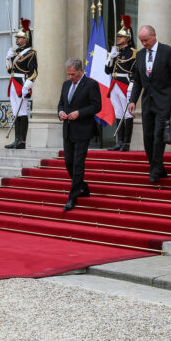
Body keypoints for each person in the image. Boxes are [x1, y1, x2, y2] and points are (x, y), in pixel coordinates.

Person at [128, 25, 171, 183]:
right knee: (148, 136)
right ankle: (159, 167)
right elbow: (138, 81)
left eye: (146, 40)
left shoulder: (168, 52)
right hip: (147, 101)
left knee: (159, 134)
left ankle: (154, 171)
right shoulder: (139, 55)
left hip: (164, 100)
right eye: (141, 41)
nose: (144, 43)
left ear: (154, 36)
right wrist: (133, 100)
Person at [57, 58, 101, 211]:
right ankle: (83, 187)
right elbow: (61, 104)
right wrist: (61, 112)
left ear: (80, 71)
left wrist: (79, 113)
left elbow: (96, 106)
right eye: (68, 74)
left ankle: (72, 198)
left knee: (77, 164)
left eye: (73, 74)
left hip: (83, 130)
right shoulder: (65, 84)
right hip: (68, 130)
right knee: (68, 162)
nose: (70, 77)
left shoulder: (91, 85)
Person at [105, 15, 137, 151]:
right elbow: (107, 71)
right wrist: (110, 58)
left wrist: (131, 86)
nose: (118, 38)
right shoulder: (116, 53)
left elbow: (135, 72)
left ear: (128, 38)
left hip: (126, 85)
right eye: (118, 36)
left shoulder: (133, 53)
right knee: (118, 113)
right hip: (115, 84)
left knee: (128, 114)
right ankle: (119, 142)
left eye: (121, 36)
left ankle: (126, 143)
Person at [5, 18, 38, 149]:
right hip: (13, 82)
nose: (17, 40)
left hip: (22, 84)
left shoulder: (31, 53)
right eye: (17, 37)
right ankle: (16, 139)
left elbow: (34, 72)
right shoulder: (16, 53)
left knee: (22, 111)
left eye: (19, 37)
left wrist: (27, 86)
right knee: (16, 112)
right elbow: (9, 70)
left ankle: (22, 141)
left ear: (26, 39)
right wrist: (8, 58)